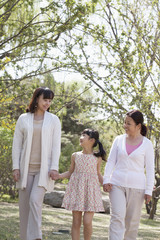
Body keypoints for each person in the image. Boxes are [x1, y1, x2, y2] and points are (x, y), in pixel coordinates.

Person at [12, 87, 61, 240]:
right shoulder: (23, 119)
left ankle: (36, 236)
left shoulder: (53, 120)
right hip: (25, 169)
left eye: (50, 100)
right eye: (45, 99)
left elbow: (55, 145)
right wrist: (16, 167)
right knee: (24, 207)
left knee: (35, 200)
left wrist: (54, 167)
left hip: (43, 170)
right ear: (37, 99)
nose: (47, 103)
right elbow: (17, 145)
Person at [103, 109, 155, 240]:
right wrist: (106, 180)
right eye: (124, 122)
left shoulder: (147, 144)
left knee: (132, 223)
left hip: (138, 187)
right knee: (117, 217)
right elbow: (110, 162)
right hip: (117, 184)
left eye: (128, 123)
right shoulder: (118, 140)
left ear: (138, 126)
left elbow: (150, 169)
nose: (125, 126)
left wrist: (149, 190)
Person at [57, 128, 106, 240]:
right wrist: (58, 176)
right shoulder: (75, 155)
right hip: (77, 190)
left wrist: (106, 184)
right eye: (81, 134)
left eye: (84, 135)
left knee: (87, 221)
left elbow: (98, 174)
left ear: (92, 140)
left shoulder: (97, 157)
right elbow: (70, 172)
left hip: (91, 192)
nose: (81, 137)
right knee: (76, 222)